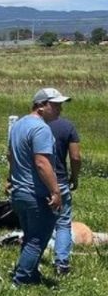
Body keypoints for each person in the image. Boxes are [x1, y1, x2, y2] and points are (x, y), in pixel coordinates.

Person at [8, 88, 67, 286]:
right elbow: (42, 162)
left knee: (30, 236)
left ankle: (31, 273)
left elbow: (10, 155)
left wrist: (11, 178)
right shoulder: (41, 129)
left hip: (19, 192)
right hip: (35, 193)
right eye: (55, 105)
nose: (59, 109)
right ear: (41, 106)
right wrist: (55, 190)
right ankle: (21, 279)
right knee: (37, 239)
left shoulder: (18, 125)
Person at [48, 108, 81, 275]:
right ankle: (61, 262)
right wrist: (74, 177)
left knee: (37, 221)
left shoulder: (32, 124)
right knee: (63, 224)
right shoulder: (68, 127)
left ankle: (31, 257)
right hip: (60, 181)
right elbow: (75, 157)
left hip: (36, 182)